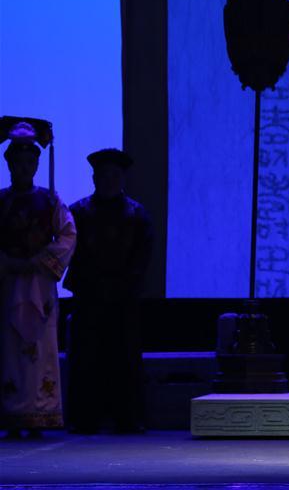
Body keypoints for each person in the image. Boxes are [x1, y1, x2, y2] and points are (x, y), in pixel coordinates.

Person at [64, 148, 152, 433]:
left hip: (123, 298)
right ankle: (84, 419)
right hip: (88, 297)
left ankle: (128, 418)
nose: (109, 180)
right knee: (86, 360)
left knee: (124, 359)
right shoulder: (78, 211)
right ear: (94, 177)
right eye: (103, 175)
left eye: (115, 175)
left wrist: (124, 287)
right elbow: (71, 255)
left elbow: (142, 256)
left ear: (123, 177)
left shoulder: (137, 214)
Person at [0, 121, 76, 438]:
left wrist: (38, 261)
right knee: (7, 349)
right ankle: (10, 414)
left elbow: (68, 234)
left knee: (40, 348)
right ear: (9, 164)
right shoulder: (0, 201)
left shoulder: (50, 200)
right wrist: (7, 262)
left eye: (30, 161)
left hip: (39, 283)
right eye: (18, 161)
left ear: (36, 163)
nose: (24, 166)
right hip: (6, 282)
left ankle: (39, 414)